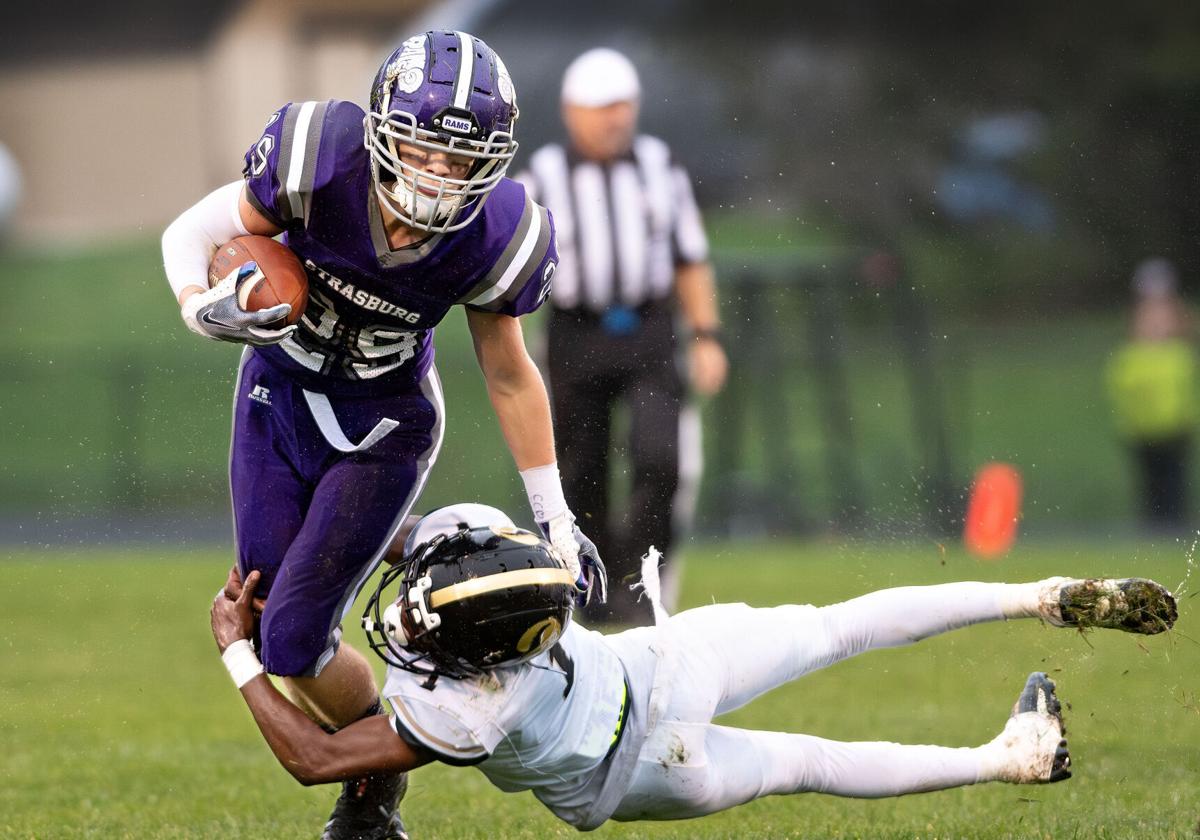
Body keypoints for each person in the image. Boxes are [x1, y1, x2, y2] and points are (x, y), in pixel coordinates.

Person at [162, 31, 605, 840]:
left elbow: (509, 374)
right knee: (265, 620)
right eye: (422, 150)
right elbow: (186, 234)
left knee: (292, 641)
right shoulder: (316, 155)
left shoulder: (500, 233)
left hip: (384, 425)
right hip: (276, 393)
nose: (438, 176)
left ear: (495, 160)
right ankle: (391, 541)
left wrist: (557, 516)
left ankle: (373, 793)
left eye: (460, 161)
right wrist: (203, 309)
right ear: (379, 130)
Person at [211, 502, 1177, 835]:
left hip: (639, 778)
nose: (408, 629)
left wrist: (242, 651)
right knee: (842, 626)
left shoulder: (463, 708)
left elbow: (312, 757)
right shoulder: (485, 547)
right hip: (659, 665)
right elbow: (402, 538)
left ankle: (1006, 758)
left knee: (813, 763)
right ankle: (1036, 594)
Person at [516, 48, 728, 624]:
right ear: (572, 112)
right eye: (601, 107)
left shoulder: (662, 166)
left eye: (623, 106)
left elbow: (691, 258)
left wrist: (707, 334)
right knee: (579, 465)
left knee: (661, 456)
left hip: (650, 330)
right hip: (574, 334)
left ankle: (641, 578)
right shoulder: (541, 176)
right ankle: (596, 584)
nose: (615, 118)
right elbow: (510, 262)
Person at [1106, 257, 1197, 529]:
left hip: (1175, 432)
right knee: (1152, 488)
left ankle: (1173, 531)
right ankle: (1154, 530)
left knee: (1174, 487)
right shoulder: (1131, 356)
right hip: (1142, 432)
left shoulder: (1179, 354)